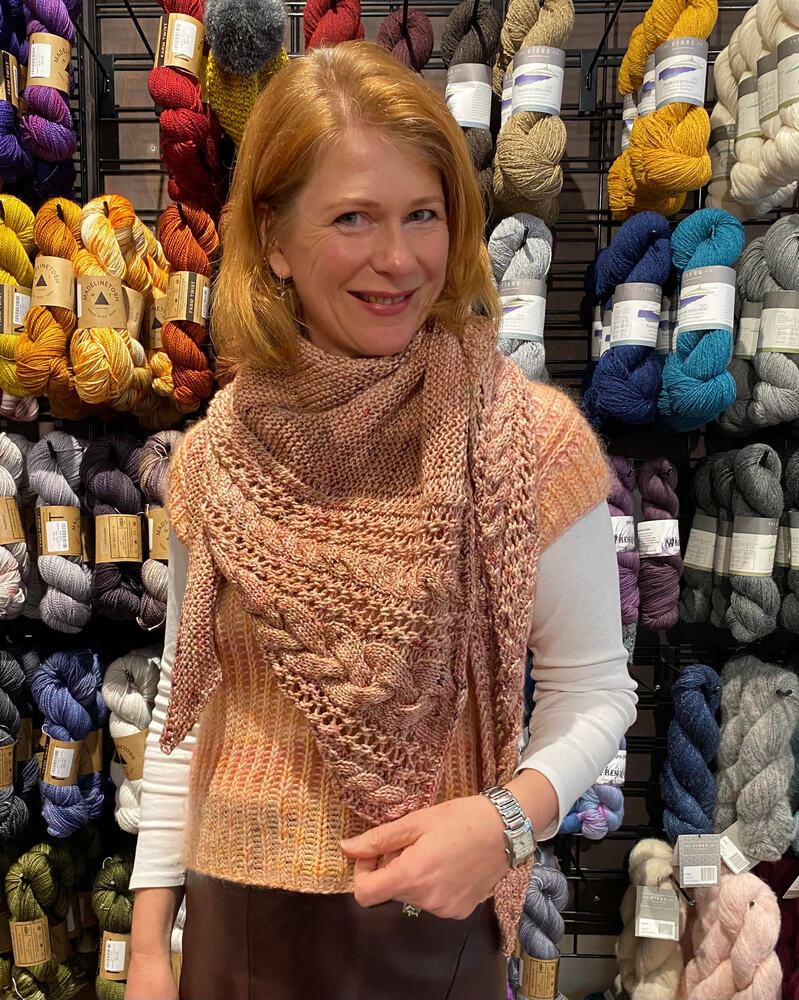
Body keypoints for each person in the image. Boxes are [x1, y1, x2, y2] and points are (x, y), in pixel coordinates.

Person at [125, 40, 637, 1000]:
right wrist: (149, 941)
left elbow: (595, 691)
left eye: (422, 214)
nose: (398, 259)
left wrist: (505, 822)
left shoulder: (525, 444)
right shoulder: (213, 460)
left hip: (430, 928)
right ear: (274, 238)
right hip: (234, 930)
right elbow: (184, 707)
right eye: (352, 217)